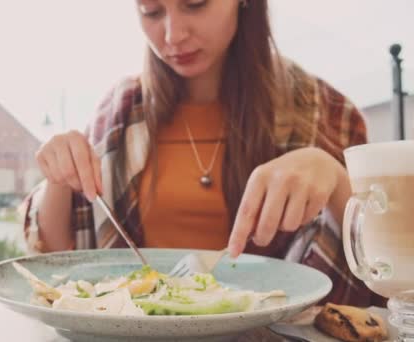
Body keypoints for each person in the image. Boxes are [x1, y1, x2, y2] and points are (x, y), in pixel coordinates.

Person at [22, 0, 382, 306]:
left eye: (195, 3)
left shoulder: (324, 111)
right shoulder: (118, 114)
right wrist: (60, 179)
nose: (173, 34)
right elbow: (60, 260)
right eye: (151, 11)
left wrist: (334, 178)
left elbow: (389, 266)